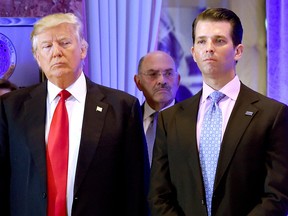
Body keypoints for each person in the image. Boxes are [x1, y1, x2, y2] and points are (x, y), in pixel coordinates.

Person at [0, 13, 148, 216]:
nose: (56, 52)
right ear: (37, 57)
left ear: (83, 49)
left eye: (64, 42)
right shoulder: (11, 107)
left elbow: (136, 190)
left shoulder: (122, 108)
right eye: (47, 46)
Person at [148, 7, 288, 216]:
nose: (209, 48)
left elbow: (277, 196)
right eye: (202, 41)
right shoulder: (171, 119)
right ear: (194, 52)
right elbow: (159, 194)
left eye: (219, 40)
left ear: (238, 51)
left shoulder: (271, 115)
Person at [134, 51, 181, 166]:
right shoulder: (127, 122)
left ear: (178, 80)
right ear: (138, 82)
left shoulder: (194, 121)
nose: (162, 81)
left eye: (169, 73)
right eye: (153, 74)